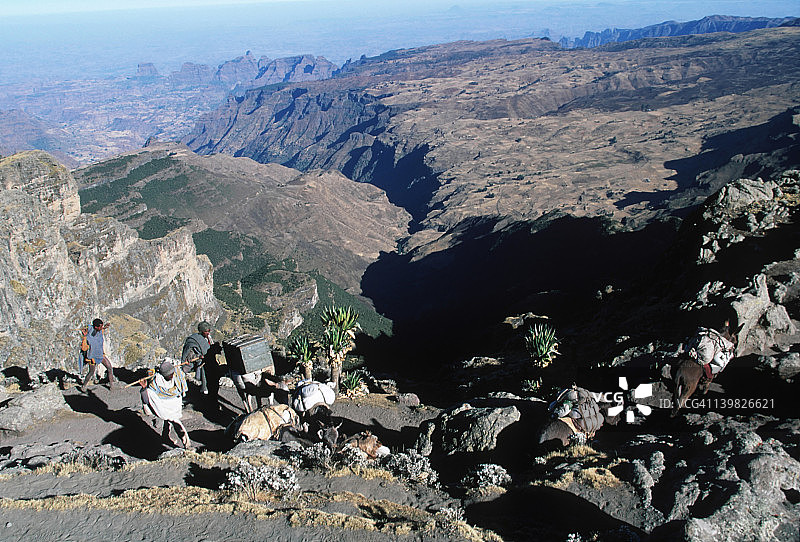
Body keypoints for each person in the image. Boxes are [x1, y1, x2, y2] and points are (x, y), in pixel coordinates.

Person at [139, 359, 191, 449]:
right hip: (163, 406)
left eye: (172, 374)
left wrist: (188, 365)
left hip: (174, 405)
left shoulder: (176, 375)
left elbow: (183, 372)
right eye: (169, 375)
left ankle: (165, 437)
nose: (172, 376)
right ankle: (187, 445)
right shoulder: (155, 384)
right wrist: (144, 389)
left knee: (168, 421)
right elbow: (147, 398)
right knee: (176, 423)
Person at [181, 321, 221, 405]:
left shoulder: (208, 338)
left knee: (214, 383)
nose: (208, 333)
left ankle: (212, 398)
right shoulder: (193, 341)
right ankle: (206, 398)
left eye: (209, 331)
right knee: (208, 381)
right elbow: (189, 354)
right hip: (202, 363)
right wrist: (198, 356)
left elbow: (209, 348)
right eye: (206, 331)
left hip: (210, 362)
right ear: (201, 331)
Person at [79, 318, 116, 391]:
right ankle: (84, 386)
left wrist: (105, 327)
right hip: (92, 357)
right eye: (100, 326)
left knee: (109, 367)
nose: (101, 328)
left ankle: (112, 385)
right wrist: (84, 337)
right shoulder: (88, 336)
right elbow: (84, 348)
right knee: (91, 372)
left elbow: (101, 330)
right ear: (96, 327)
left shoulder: (99, 332)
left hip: (100, 354)